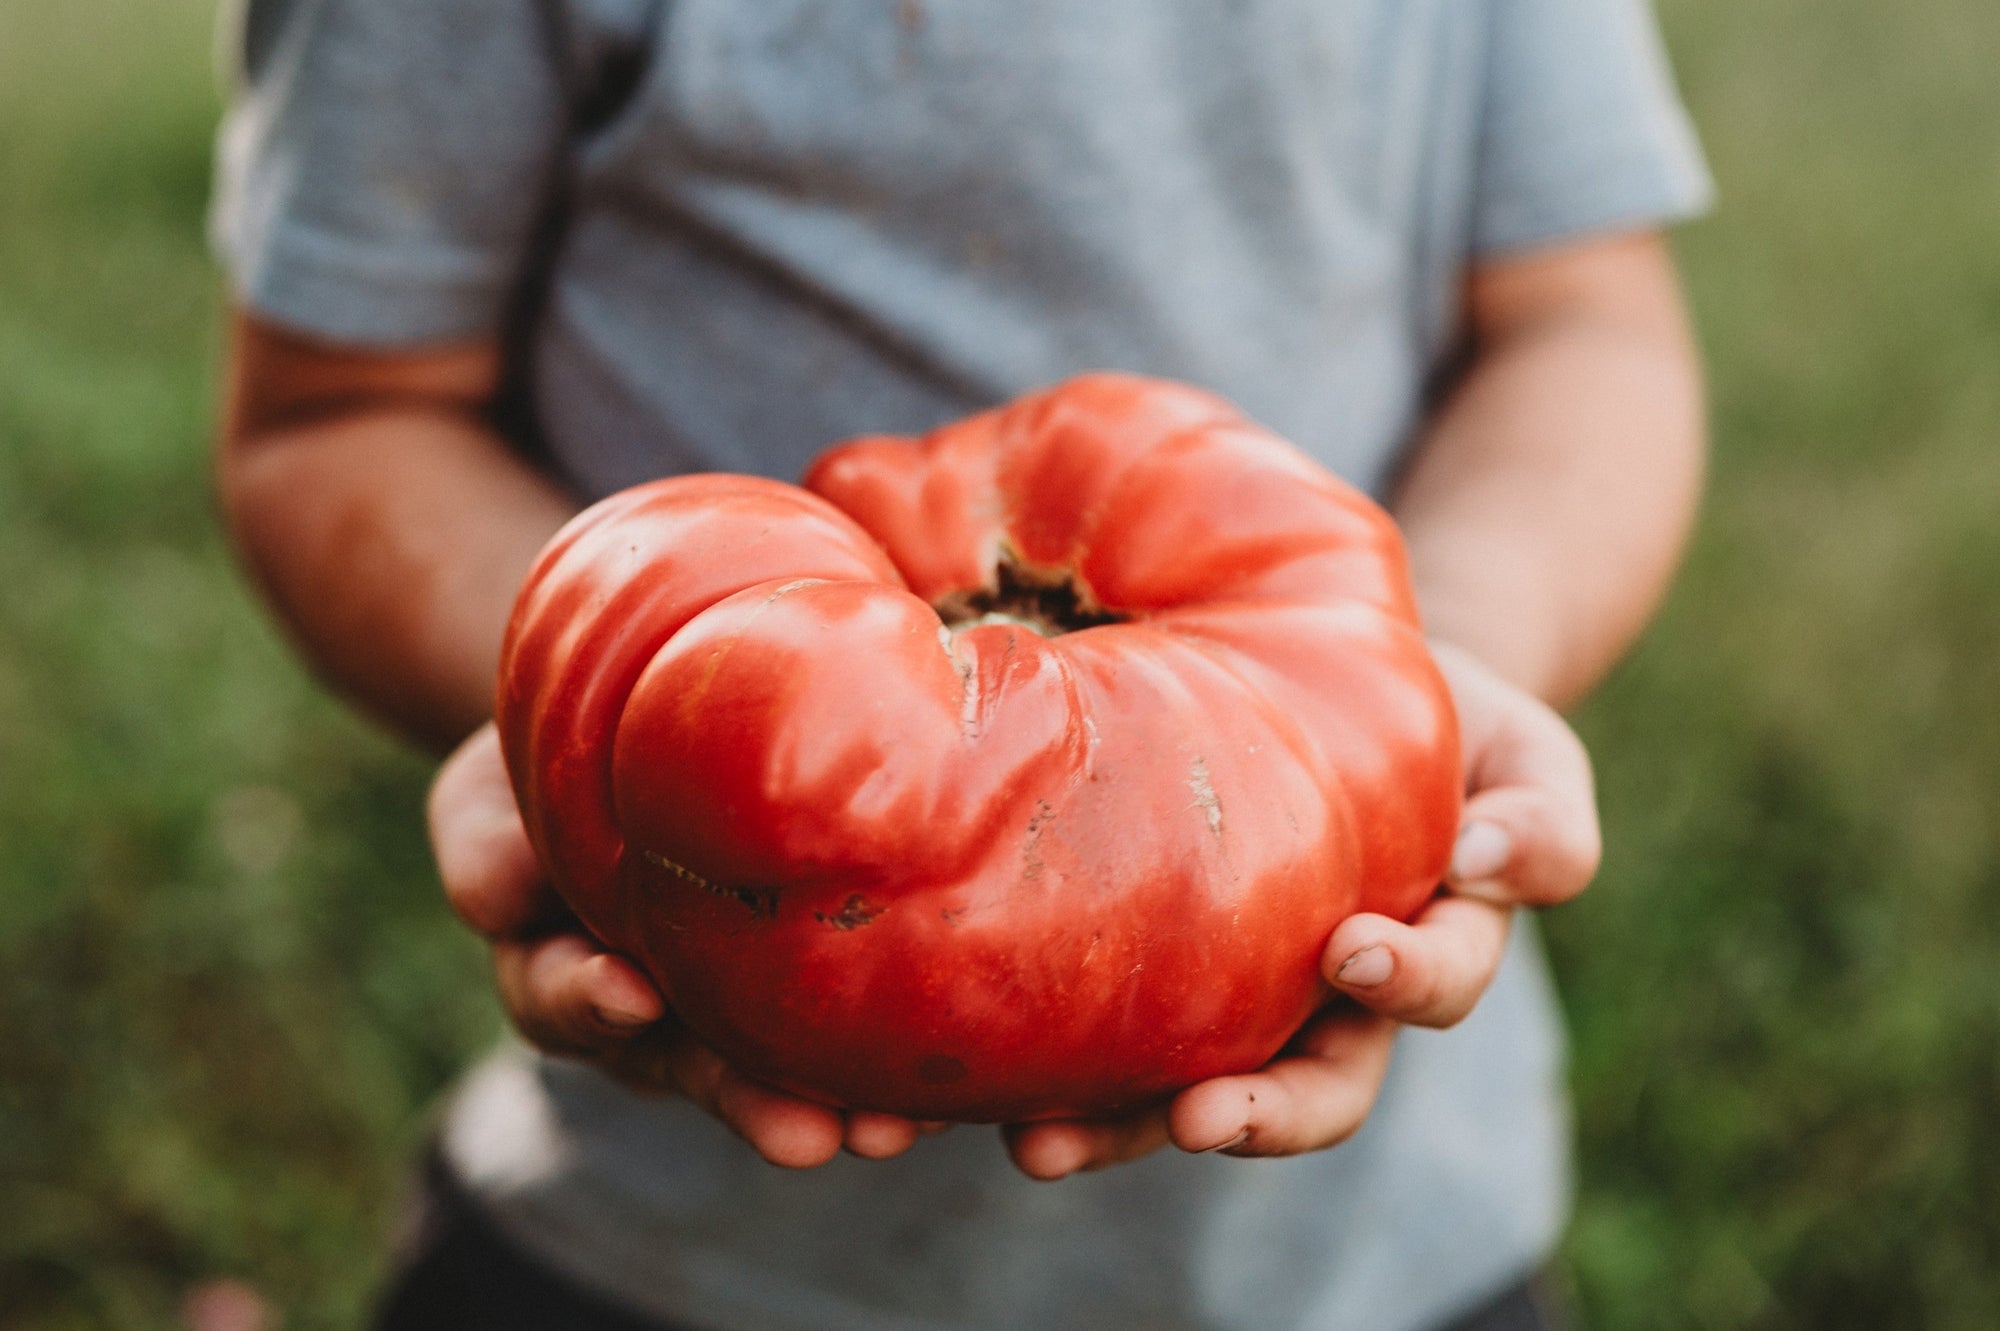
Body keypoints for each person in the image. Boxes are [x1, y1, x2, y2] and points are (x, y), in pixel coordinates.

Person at [210, 1, 1710, 1327]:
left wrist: (1434, 668)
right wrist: (601, 697)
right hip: (652, 1231)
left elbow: (1585, 324)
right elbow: (338, 412)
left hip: (1379, 1243)